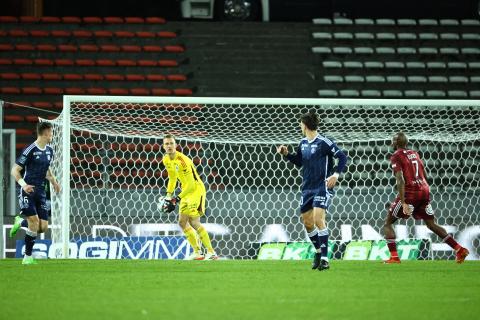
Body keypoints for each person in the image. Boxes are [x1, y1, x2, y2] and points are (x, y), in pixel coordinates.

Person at [277, 111, 348, 271]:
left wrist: (335, 175)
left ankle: (324, 258)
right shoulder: (302, 143)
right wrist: (287, 155)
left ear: (305, 125)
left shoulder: (324, 142)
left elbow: (342, 157)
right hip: (307, 188)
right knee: (308, 223)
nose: (300, 127)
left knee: (318, 219)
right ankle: (317, 251)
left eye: (301, 124)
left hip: (322, 187)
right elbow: (299, 162)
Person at [384, 132, 469, 264]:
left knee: (388, 223)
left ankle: (394, 257)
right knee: (431, 224)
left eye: (393, 140)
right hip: (424, 189)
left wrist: (404, 202)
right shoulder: (415, 153)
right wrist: (425, 193)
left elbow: (400, 180)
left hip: (410, 192)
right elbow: (424, 173)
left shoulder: (396, 155)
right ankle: (459, 249)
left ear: (395, 143)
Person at [161, 134, 218, 260]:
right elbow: (172, 178)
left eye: (171, 143)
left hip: (196, 189)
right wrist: (168, 195)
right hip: (185, 191)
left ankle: (211, 251)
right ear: (163, 146)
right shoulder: (166, 159)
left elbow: (191, 185)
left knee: (193, 221)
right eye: (167, 144)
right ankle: (198, 252)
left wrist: (176, 198)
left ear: (176, 145)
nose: (169, 146)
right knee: (182, 222)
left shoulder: (183, 160)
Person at [10, 122, 60, 265]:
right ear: (45, 134)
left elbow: (47, 170)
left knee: (43, 227)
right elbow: (15, 170)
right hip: (28, 190)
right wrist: (24, 185)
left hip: (41, 191)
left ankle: (20, 221)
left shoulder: (50, 150)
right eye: (51, 133)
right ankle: (27, 257)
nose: (52, 135)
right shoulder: (30, 149)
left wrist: (54, 182)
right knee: (34, 222)